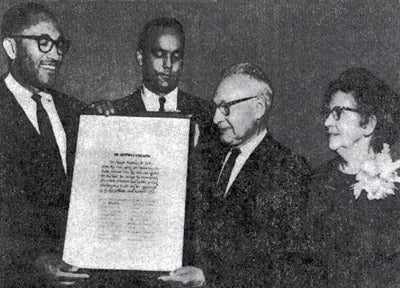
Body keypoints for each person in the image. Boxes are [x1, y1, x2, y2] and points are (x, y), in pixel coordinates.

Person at [160, 63, 311, 287]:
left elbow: (282, 262)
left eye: (226, 108)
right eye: (216, 108)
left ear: (258, 108)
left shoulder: (288, 168)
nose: (216, 119)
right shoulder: (209, 157)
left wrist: (208, 278)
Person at [0, 3, 88, 286]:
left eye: (60, 44)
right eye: (43, 43)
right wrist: (35, 261)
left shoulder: (77, 111)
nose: (56, 55)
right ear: (11, 48)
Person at [308, 67, 400, 287]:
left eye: (338, 113)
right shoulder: (317, 181)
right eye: (328, 114)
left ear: (368, 124)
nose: (327, 123)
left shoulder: (397, 187)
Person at [93, 17, 215, 147]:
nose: (168, 64)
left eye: (176, 56)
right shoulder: (114, 113)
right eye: (159, 54)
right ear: (140, 57)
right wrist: (93, 118)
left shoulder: (208, 115)